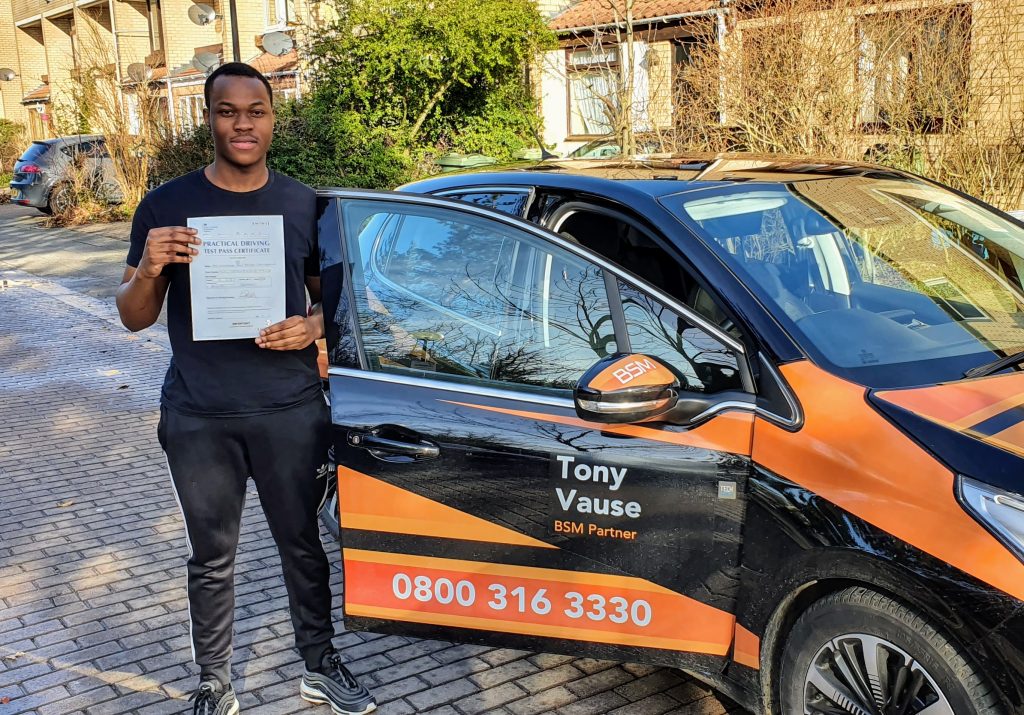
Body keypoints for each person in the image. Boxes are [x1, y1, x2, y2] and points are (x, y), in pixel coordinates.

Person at [115, 62, 377, 715]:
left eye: (255, 111)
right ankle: (214, 680)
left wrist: (311, 327)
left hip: (291, 410)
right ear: (208, 118)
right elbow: (133, 316)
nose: (242, 123)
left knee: (303, 544)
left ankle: (319, 664)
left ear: (272, 118)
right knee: (211, 556)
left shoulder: (305, 204)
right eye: (227, 111)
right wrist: (149, 267)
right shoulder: (165, 207)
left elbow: (339, 303)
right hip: (200, 415)